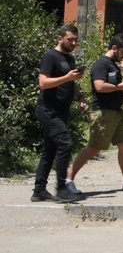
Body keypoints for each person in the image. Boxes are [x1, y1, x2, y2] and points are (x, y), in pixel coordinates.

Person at [64, 33, 123, 196]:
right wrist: (120, 86)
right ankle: (68, 180)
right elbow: (99, 87)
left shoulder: (112, 64)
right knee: (94, 148)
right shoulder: (101, 64)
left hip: (117, 112)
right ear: (114, 48)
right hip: (103, 113)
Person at [32, 23, 88, 203]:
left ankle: (39, 191)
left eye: (75, 40)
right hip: (47, 109)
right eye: (70, 39)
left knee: (50, 150)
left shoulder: (69, 59)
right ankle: (62, 188)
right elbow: (43, 83)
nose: (73, 43)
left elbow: (70, 84)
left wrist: (79, 97)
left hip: (61, 111)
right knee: (65, 143)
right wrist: (67, 77)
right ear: (60, 38)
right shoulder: (50, 57)